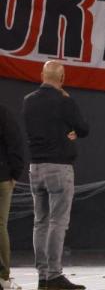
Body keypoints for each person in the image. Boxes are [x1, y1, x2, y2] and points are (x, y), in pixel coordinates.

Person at [22, 62, 90, 290]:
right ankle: (54, 274)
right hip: (59, 167)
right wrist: (68, 131)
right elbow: (83, 129)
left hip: (35, 168)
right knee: (57, 222)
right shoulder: (64, 101)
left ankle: (43, 275)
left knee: (39, 222)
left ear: (42, 75)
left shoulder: (28, 101)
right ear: (62, 77)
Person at [0, 100, 25, 290]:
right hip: (3, 176)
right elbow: (15, 142)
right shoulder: (4, 113)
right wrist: (15, 173)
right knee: (0, 225)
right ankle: (2, 276)